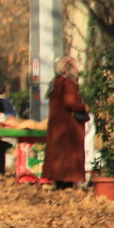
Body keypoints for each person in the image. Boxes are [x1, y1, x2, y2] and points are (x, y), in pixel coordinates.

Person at [41, 56, 88, 189]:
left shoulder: (55, 82)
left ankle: (59, 181)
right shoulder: (68, 83)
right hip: (69, 126)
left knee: (58, 155)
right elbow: (70, 102)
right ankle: (67, 181)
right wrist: (83, 107)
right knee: (68, 156)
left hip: (57, 125)